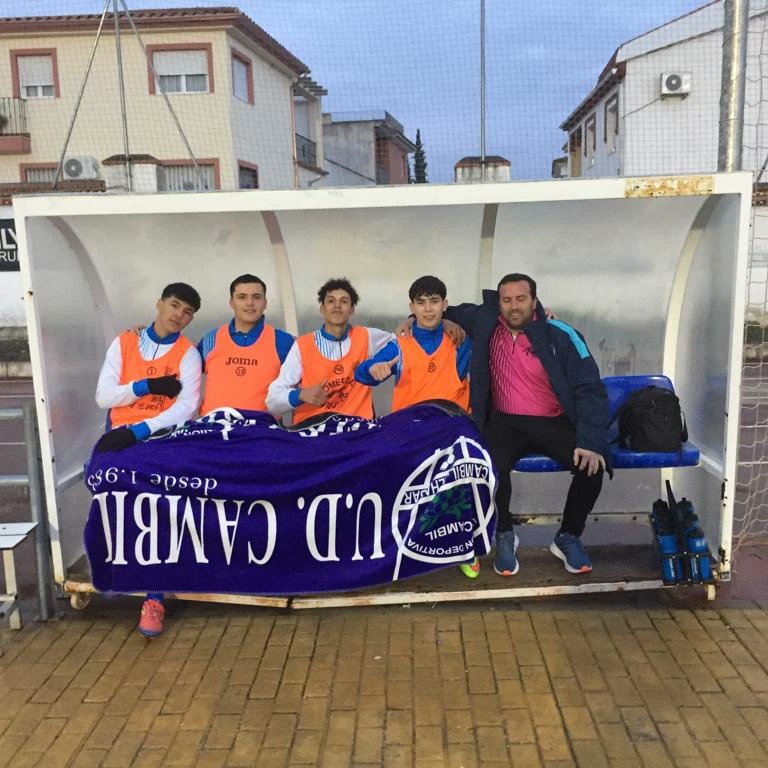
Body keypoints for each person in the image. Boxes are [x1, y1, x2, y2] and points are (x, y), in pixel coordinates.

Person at [444, 273, 608, 577]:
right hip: (505, 421)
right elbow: (442, 308)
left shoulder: (560, 333)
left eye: (521, 299)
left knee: (592, 464)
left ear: (534, 300)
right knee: (489, 466)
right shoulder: (486, 321)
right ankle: (504, 534)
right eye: (507, 300)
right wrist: (412, 320)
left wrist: (589, 440)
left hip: (553, 421)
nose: (513, 306)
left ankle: (568, 536)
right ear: (498, 302)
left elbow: (590, 389)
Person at [93, 281, 203, 638]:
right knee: (108, 496)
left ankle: (154, 598)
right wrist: (145, 387)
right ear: (159, 304)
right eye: (174, 306)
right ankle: (112, 571)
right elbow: (103, 396)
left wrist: (141, 430)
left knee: (161, 507)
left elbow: (186, 407)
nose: (179, 316)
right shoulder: (125, 342)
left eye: (187, 312)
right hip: (119, 438)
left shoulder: (188, 353)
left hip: (161, 441)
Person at [356, 275, 480, 579]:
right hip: (410, 430)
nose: (428, 309)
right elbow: (363, 373)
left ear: (444, 305)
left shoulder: (460, 342)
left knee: (464, 473)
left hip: (451, 428)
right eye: (421, 303)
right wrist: (374, 369)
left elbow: (494, 321)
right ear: (411, 307)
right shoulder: (399, 342)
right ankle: (392, 548)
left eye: (434, 301)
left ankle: (463, 544)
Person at [266, 277, 399, 422]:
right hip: (314, 431)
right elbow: (272, 401)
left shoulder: (366, 336)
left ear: (352, 309)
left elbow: (400, 340)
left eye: (344, 301)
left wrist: (410, 320)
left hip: (358, 430)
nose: (337, 306)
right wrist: (300, 395)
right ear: (322, 308)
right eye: (331, 301)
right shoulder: (303, 345)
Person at [197, 274, 294, 416]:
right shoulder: (211, 339)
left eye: (256, 297)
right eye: (242, 297)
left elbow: (306, 386)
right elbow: (184, 379)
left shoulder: (284, 341)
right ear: (231, 302)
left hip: (262, 432)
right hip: (213, 430)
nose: (250, 303)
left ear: (265, 302)